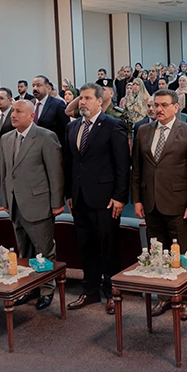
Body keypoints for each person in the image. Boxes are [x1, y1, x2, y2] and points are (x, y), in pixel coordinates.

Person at [131, 89, 187, 321]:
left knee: (183, 253)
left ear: (175, 107)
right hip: (150, 203)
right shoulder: (143, 131)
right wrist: (137, 200)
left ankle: (185, 299)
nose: (157, 109)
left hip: (179, 204)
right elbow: (137, 169)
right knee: (157, 252)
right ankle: (163, 296)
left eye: (163, 105)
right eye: (155, 105)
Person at [64, 83, 129, 314]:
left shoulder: (113, 125)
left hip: (105, 198)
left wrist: (120, 197)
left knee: (108, 247)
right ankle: (90, 291)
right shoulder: (73, 127)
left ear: (100, 101)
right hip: (79, 198)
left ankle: (112, 293)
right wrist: (69, 194)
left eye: (87, 98)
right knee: (85, 246)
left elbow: (122, 164)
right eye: (81, 98)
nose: (82, 102)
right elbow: (70, 163)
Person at [0, 100, 64, 310]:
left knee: (44, 251)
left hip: (39, 203)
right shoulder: (6, 138)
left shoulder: (46, 137)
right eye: (13, 111)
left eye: (19, 111)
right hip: (15, 204)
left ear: (31, 115)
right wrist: (5, 200)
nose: (13, 115)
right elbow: (5, 173)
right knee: (23, 252)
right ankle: (29, 288)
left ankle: (47, 290)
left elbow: (55, 173)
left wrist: (56, 203)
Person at [31, 75, 69, 148]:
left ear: (48, 87)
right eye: (33, 86)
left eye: (38, 85)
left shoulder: (57, 104)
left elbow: (65, 128)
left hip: (51, 147)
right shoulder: (30, 104)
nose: (35, 88)